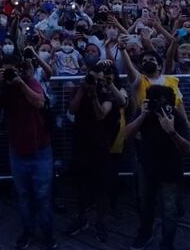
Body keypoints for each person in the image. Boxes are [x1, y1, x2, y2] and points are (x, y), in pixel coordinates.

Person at [0, 55, 57, 250]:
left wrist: (20, 83)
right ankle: (28, 231)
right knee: (23, 195)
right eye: (7, 70)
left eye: (13, 70)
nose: (11, 74)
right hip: (17, 150)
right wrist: (0, 85)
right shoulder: (4, 88)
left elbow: (39, 102)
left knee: (43, 196)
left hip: (40, 149)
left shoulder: (31, 82)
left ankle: (48, 233)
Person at [123, 83, 190, 250]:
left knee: (169, 210)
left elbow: (187, 148)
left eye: (163, 102)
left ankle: (167, 243)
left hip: (170, 169)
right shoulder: (146, 113)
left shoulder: (176, 117)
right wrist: (142, 115)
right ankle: (145, 233)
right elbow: (126, 134)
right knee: (145, 204)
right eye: (156, 102)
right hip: (147, 167)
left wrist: (171, 131)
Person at [65, 59, 122, 243]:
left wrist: (94, 95)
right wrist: (83, 90)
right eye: (92, 78)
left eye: (98, 80)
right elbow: (72, 109)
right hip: (81, 144)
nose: (95, 82)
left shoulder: (106, 95)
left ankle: (100, 222)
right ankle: (81, 217)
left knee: (101, 188)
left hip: (100, 146)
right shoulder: (80, 90)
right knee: (81, 185)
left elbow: (100, 115)